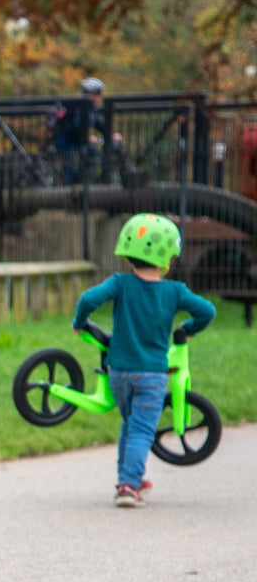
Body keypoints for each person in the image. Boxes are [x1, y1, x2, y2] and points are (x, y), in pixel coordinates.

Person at [72, 213, 215, 508]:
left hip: (118, 373)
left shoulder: (120, 284)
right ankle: (128, 486)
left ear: (128, 257)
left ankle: (129, 478)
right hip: (151, 375)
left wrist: (79, 322)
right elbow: (207, 311)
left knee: (130, 424)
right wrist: (188, 329)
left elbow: (88, 299)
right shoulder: (174, 291)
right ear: (167, 260)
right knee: (141, 429)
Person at [53, 76, 121, 185]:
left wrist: (111, 134)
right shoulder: (79, 106)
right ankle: (70, 189)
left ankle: (83, 184)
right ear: (93, 94)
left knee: (95, 157)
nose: (101, 96)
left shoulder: (92, 108)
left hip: (79, 143)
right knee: (70, 171)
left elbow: (99, 124)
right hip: (68, 145)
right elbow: (76, 127)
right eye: (100, 94)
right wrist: (88, 137)